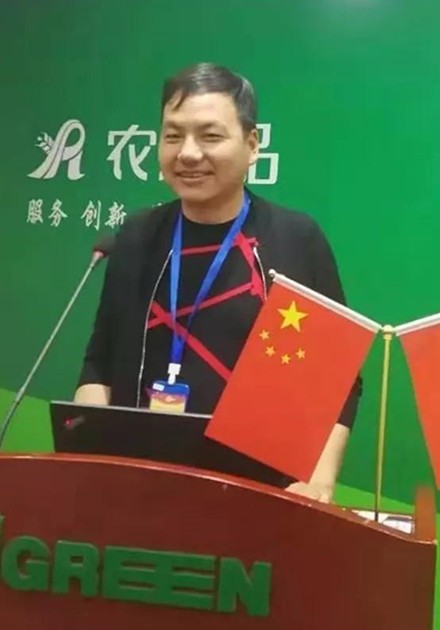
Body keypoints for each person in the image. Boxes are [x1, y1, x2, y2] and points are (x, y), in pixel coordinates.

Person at [74, 62, 360, 503]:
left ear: (252, 145)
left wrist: (319, 480)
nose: (188, 154)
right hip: (139, 488)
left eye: (209, 136)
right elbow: (100, 363)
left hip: (259, 494)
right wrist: (88, 452)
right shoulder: (137, 236)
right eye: (173, 136)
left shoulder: (295, 239)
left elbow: (339, 380)